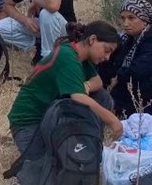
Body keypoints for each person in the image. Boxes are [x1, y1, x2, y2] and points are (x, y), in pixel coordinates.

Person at [7, 21, 124, 153]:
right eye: (106, 50)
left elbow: (98, 81)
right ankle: (84, 146)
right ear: (93, 40)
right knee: (51, 168)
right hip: (29, 124)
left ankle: (91, 144)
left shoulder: (80, 56)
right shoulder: (67, 56)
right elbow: (78, 97)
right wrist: (112, 119)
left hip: (51, 118)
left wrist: (87, 85)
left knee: (102, 96)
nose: (107, 57)